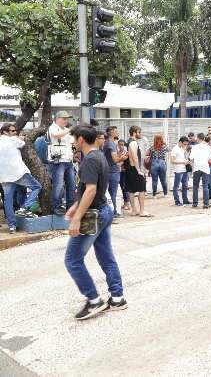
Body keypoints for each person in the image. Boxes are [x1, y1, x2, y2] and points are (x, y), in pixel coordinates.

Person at [64, 125, 127, 320]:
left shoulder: (90, 159)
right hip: (104, 209)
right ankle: (117, 298)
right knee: (106, 256)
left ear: (81, 139)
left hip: (94, 214)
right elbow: (92, 188)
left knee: (73, 260)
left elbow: (91, 190)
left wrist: (76, 218)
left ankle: (94, 300)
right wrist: (76, 205)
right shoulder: (99, 155)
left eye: (75, 139)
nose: (74, 143)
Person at [0, 123, 42, 234]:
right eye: (13, 131)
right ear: (5, 132)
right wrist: (20, 137)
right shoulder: (13, 140)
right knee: (37, 187)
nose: (15, 132)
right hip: (18, 172)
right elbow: (22, 143)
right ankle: (24, 208)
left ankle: (12, 226)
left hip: (4, 175)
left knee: (7, 201)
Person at [48, 111, 76, 215]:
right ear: (58, 118)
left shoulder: (65, 130)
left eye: (67, 119)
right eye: (64, 119)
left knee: (72, 185)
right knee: (58, 185)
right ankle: (56, 207)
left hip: (68, 160)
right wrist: (70, 130)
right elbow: (56, 135)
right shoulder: (53, 127)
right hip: (58, 161)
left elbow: (73, 142)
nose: (66, 121)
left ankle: (70, 206)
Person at [124, 126, 150, 217]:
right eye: (139, 132)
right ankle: (142, 211)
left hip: (129, 169)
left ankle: (134, 210)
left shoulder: (127, 142)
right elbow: (134, 157)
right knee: (142, 189)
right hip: (134, 169)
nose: (140, 134)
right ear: (135, 133)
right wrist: (139, 170)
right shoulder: (133, 143)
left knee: (131, 190)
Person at [104, 127, 128, 219]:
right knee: (112, 193)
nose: (118, 133)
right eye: (117, 132)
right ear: (112, 133)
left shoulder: (108, 143)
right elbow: (115, 160)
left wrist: (120, 156)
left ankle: (111, 212)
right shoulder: (111, 144)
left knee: (109, 193)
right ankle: (113, 213)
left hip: (109, 171)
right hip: (112, 172)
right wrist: (123, 158)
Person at [190, 133, 211, 209]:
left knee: (195, 187)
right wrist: (206, 161)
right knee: (205, 186)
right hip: (205, 169)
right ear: (204, 138)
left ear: (198, 138)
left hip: (196, 169)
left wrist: (195, 163)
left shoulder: (194, 148)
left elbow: (191, 159)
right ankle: (206, 204)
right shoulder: (209, 148)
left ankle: (195, 203)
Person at [170, 137, 190, 207]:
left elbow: (183, 158)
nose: (185, 145)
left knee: (185, 185)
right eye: (184, 144)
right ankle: (177, 201)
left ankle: (185, 200)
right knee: (176, 186)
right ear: (180, 142)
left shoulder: (182, 148)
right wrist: (183, 162)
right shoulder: (174, 149)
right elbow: (172, 161)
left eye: (186, 144)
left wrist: (187, 161)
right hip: (178, 170)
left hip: (184, 169)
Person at [149, 134, 169, 199]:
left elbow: (147, 154)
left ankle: (154, 195)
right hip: (162, 163)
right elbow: (169, 150)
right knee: (163, 180)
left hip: (154, 163)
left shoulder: (152, 147)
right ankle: (165, 194)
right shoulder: (164, 146)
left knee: (154, 181)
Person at [116, 139, 130, 212]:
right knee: (122, 187)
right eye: (120, 145)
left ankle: (127, 203)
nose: (121, 146)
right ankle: (125, 203)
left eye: (122, 145)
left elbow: (121, 162)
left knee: (125, 187)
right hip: (119, 172)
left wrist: (117, 164)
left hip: (124, 172)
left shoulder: (126, 152)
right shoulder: (118, 152)